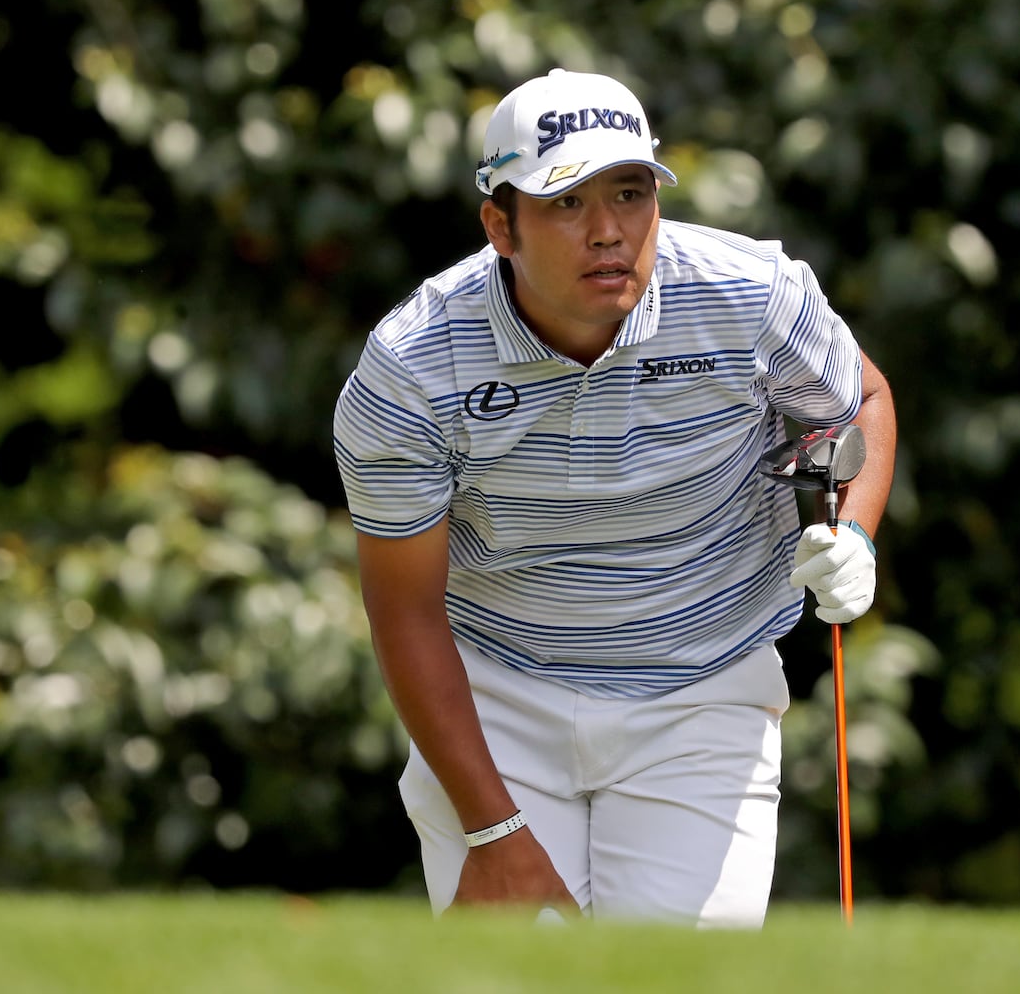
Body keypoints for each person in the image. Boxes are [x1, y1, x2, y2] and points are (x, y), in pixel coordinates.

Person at [333, 67, 896, 928]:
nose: (608, 232)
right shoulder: (413, 368)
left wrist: (852, 533)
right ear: (499, 225)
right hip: (499, 690)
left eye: (630, 194)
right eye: (566, 203)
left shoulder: (749, 296)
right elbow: (404, 611)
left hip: (703, 684)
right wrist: (496, 833)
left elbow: (860, 400)